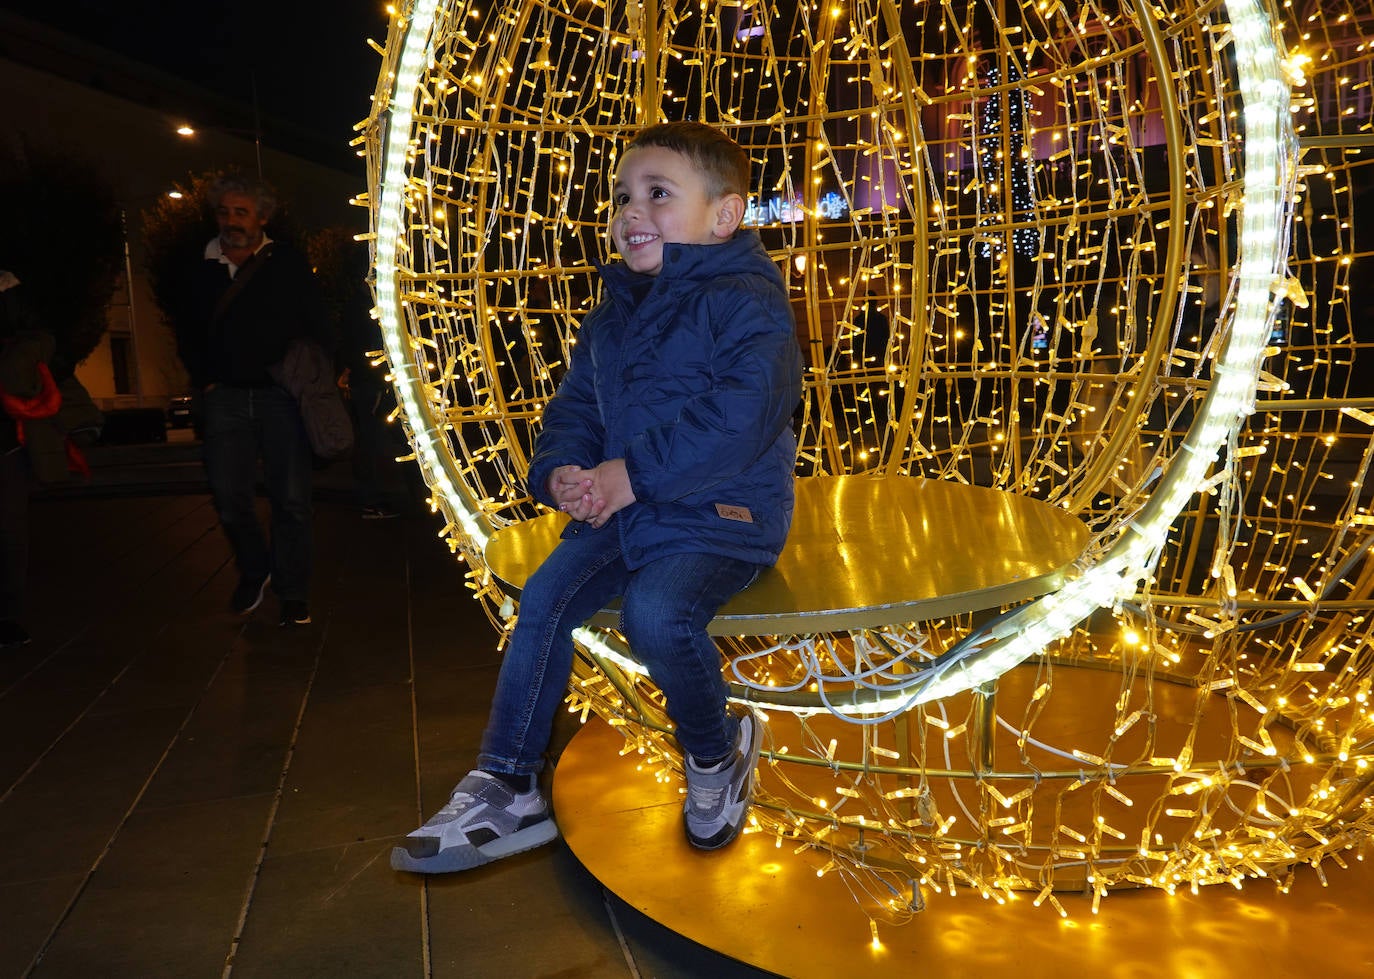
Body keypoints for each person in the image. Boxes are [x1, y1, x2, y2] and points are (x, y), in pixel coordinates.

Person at [391, 121, 803, 873]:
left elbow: (742, 414)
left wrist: (628, 475)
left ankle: (715, 754)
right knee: (544, 597)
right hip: (629, 511)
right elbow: (578, 406)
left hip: (723, 513)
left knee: (657, 612)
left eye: (656, 194)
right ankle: (507, 781)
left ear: (724, 215)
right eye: (621, 197)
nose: (629, 212)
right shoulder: (615, 313)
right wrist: (562, 471)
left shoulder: (746, 300)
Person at [172, 174, 331, 627]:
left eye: (241, 211)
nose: (231, 220)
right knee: (228, 497)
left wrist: (317, 375)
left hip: (280, 398)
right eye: (224, 211)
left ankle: (293, 590)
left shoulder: (286, 263)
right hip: (224, 398)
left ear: (262, 217)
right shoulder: (199, 265)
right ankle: (255, 567)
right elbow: (186, 330)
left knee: (292, 501)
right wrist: (204, 380)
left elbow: (317, 323)